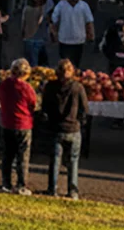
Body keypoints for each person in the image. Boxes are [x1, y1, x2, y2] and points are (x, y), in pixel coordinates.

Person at [41, 58, 88, 199]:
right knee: (73, 160)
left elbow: (45, 106)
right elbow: (84, 108)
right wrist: (81, 121)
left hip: (57, 128)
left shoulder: (50, 86)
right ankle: (72, 190)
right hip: (73, 128)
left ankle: (52, 188)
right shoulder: (78, 87)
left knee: (55, 159)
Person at [0, 58, 38, 195]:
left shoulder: (4, 85)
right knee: (22, 157)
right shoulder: (27, 88)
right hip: (23, 125)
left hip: (6, 123)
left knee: (7, 155)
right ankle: (21, 185)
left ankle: (6, 183)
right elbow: (33, 104)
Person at [50, 0, 95, 69]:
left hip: (79, 41)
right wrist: (53, 34)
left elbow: (89, 22)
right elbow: (53, 21)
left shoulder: (84, 6)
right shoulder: (61, 5)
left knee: (76, 65)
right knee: (65, 65)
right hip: (64, 40)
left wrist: (91, 35)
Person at [19, 0, 50, 67]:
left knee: (30, 64)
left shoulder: (27, 9)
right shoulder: (44, 9)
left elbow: (23, 24)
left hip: (28, 39)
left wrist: (23, 35)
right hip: (40, 39)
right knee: (41, 65)